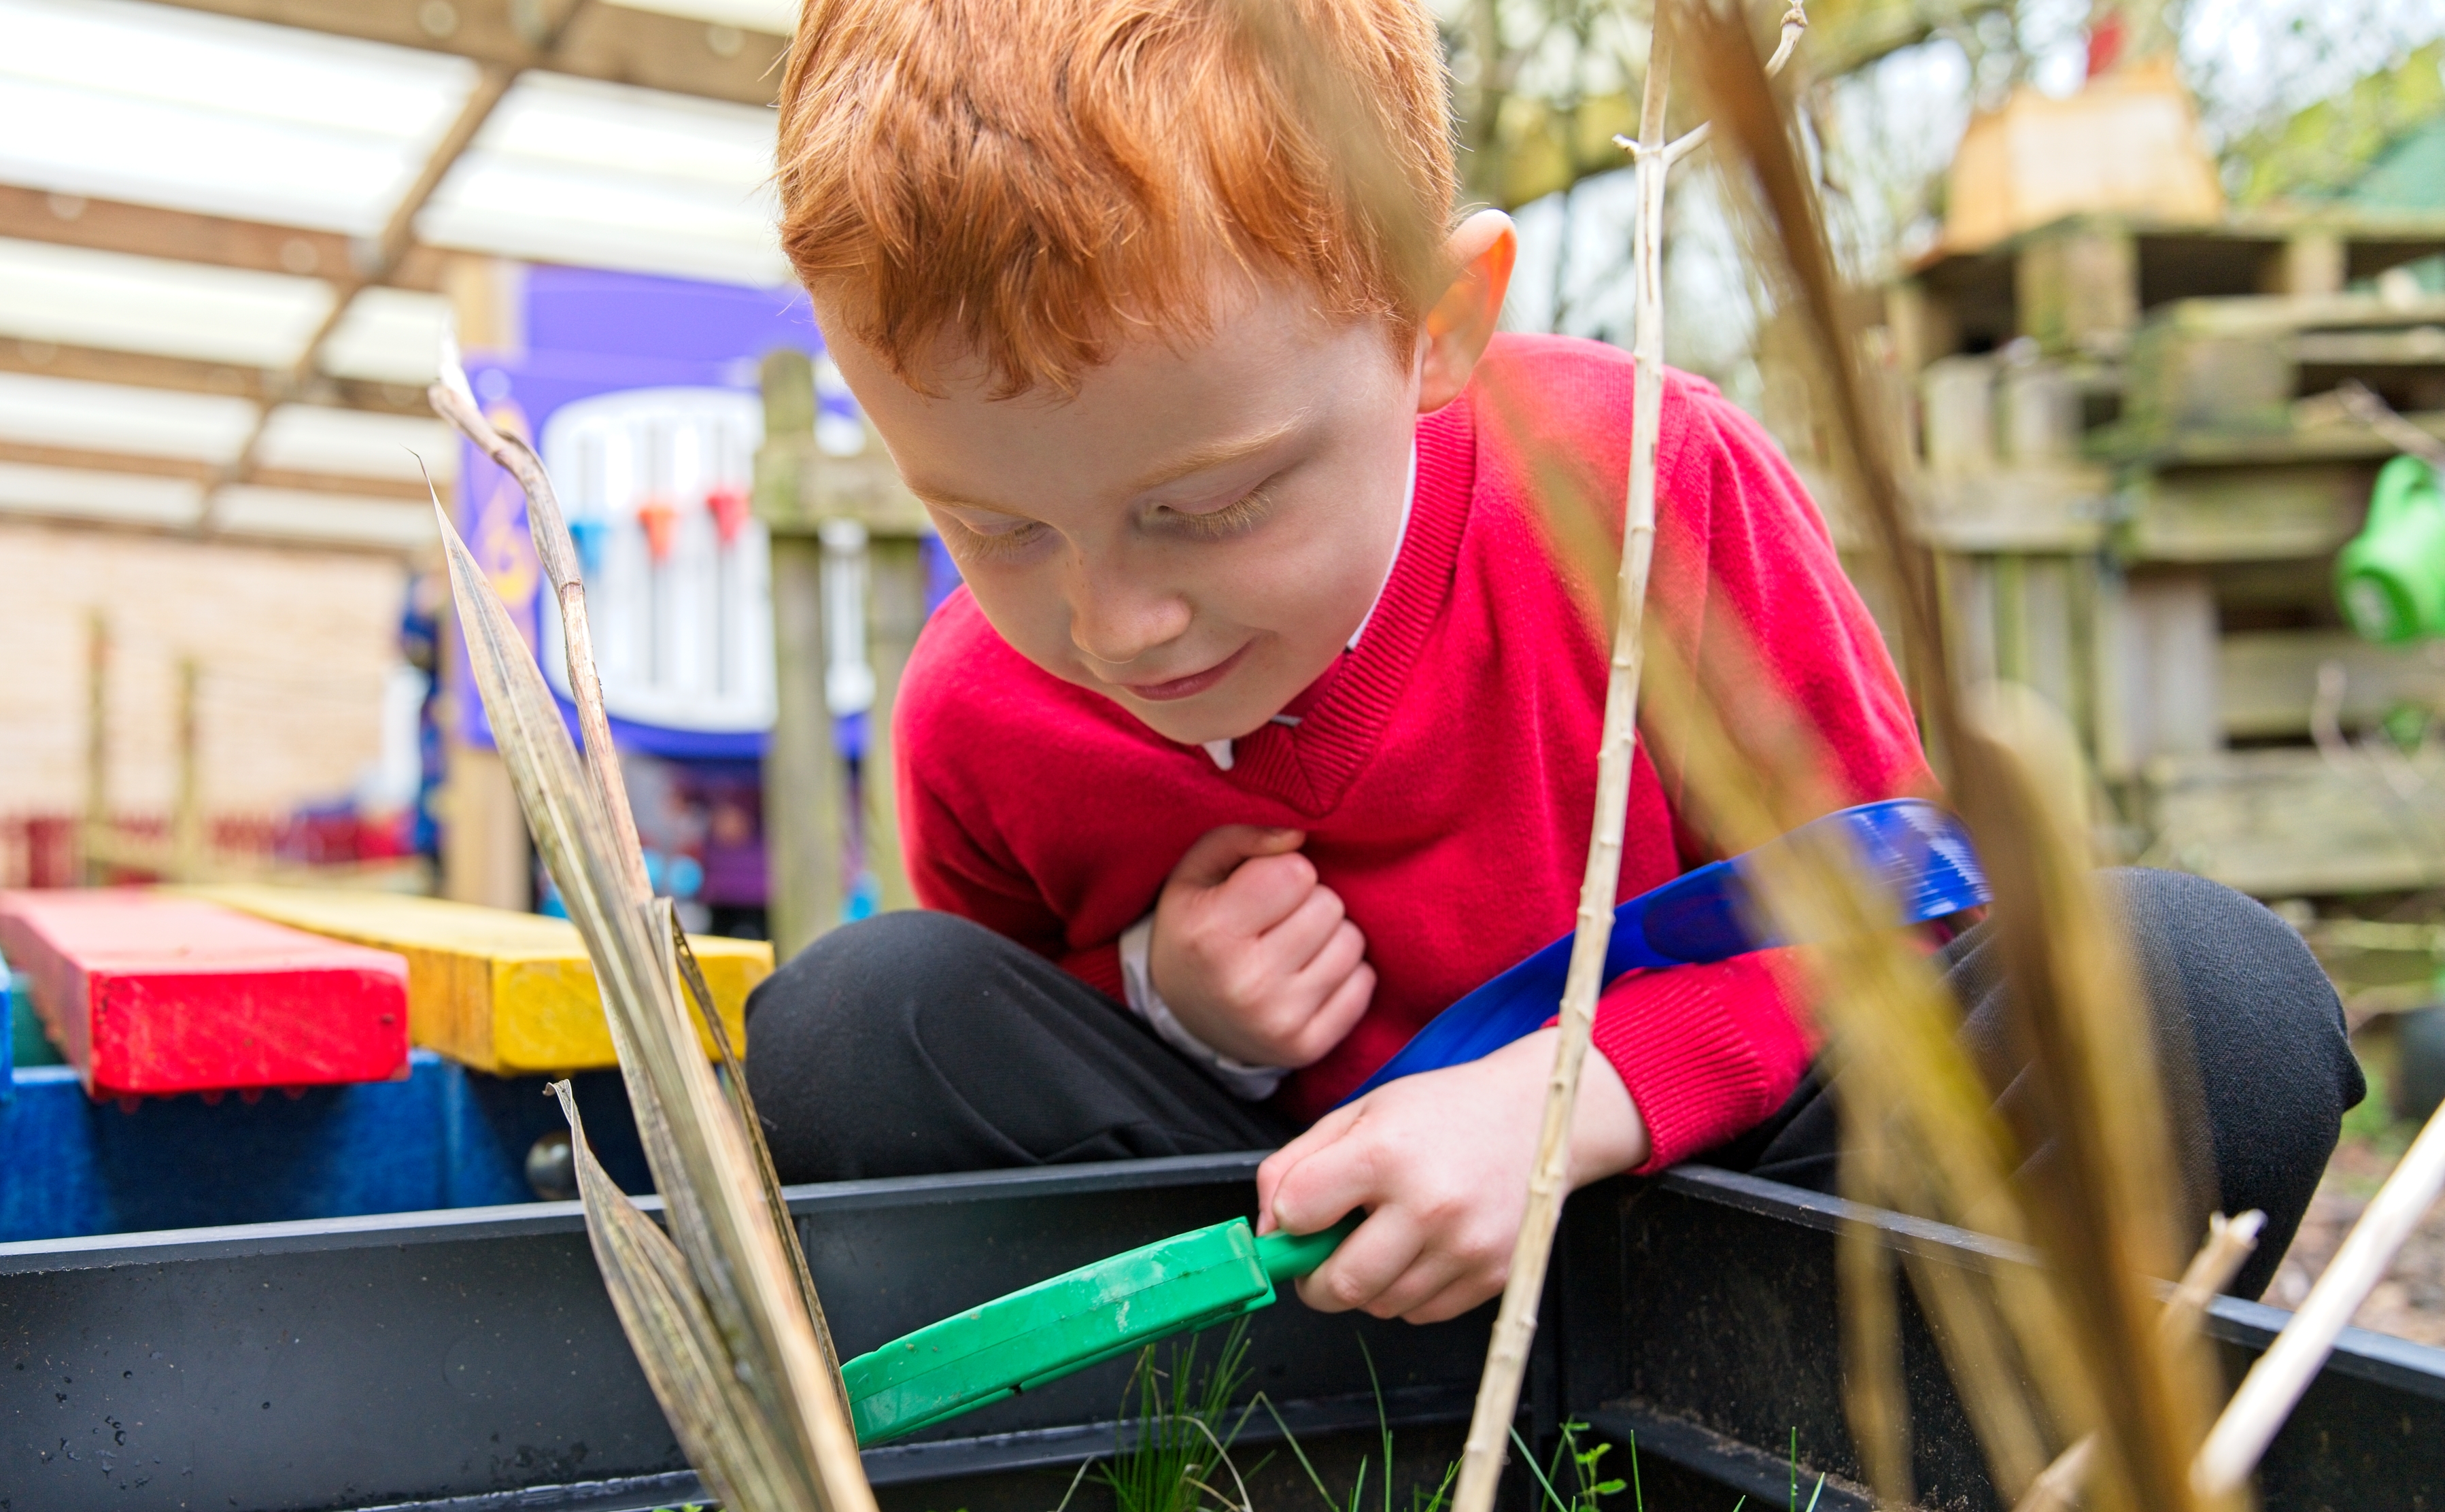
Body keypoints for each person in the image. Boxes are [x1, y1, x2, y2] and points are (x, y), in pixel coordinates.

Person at [743, 0, 2360, 1308]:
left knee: (2195, 993)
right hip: (1310, 1326)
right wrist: (1166, 1006)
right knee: (852, 1020)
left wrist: (1574, 1094)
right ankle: (1243, 1508)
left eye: (1209, 502)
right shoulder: (983, 705)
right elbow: (996, 1103)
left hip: (1738, 1265)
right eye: (993, 527)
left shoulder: (1643, 490)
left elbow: (1904, 918)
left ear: (1437, 324)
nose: (1111, 622)